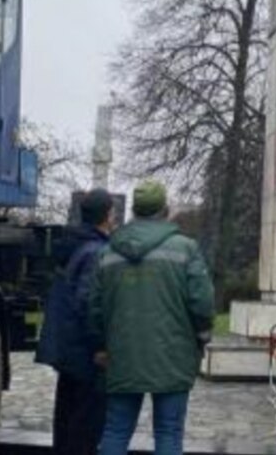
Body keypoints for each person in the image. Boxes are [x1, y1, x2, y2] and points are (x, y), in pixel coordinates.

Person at [89, 180, 215, 455]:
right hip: (174, 354)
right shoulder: (185, 249)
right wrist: (202, 337)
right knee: (169, 432)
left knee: (115, 430)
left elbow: (95, 306)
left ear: (134, 210)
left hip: (122, 354)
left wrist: (100, 346)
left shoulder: (108, 252)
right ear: (165, 209)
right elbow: (202, 302)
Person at [35, 188, 116, 455]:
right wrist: (99, 347)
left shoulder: (74, 245)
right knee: (85, 428)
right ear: (107, 215)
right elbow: (88, 303)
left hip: (67, 349)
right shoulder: (97, 252)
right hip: (85, 355)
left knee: (66, 421)